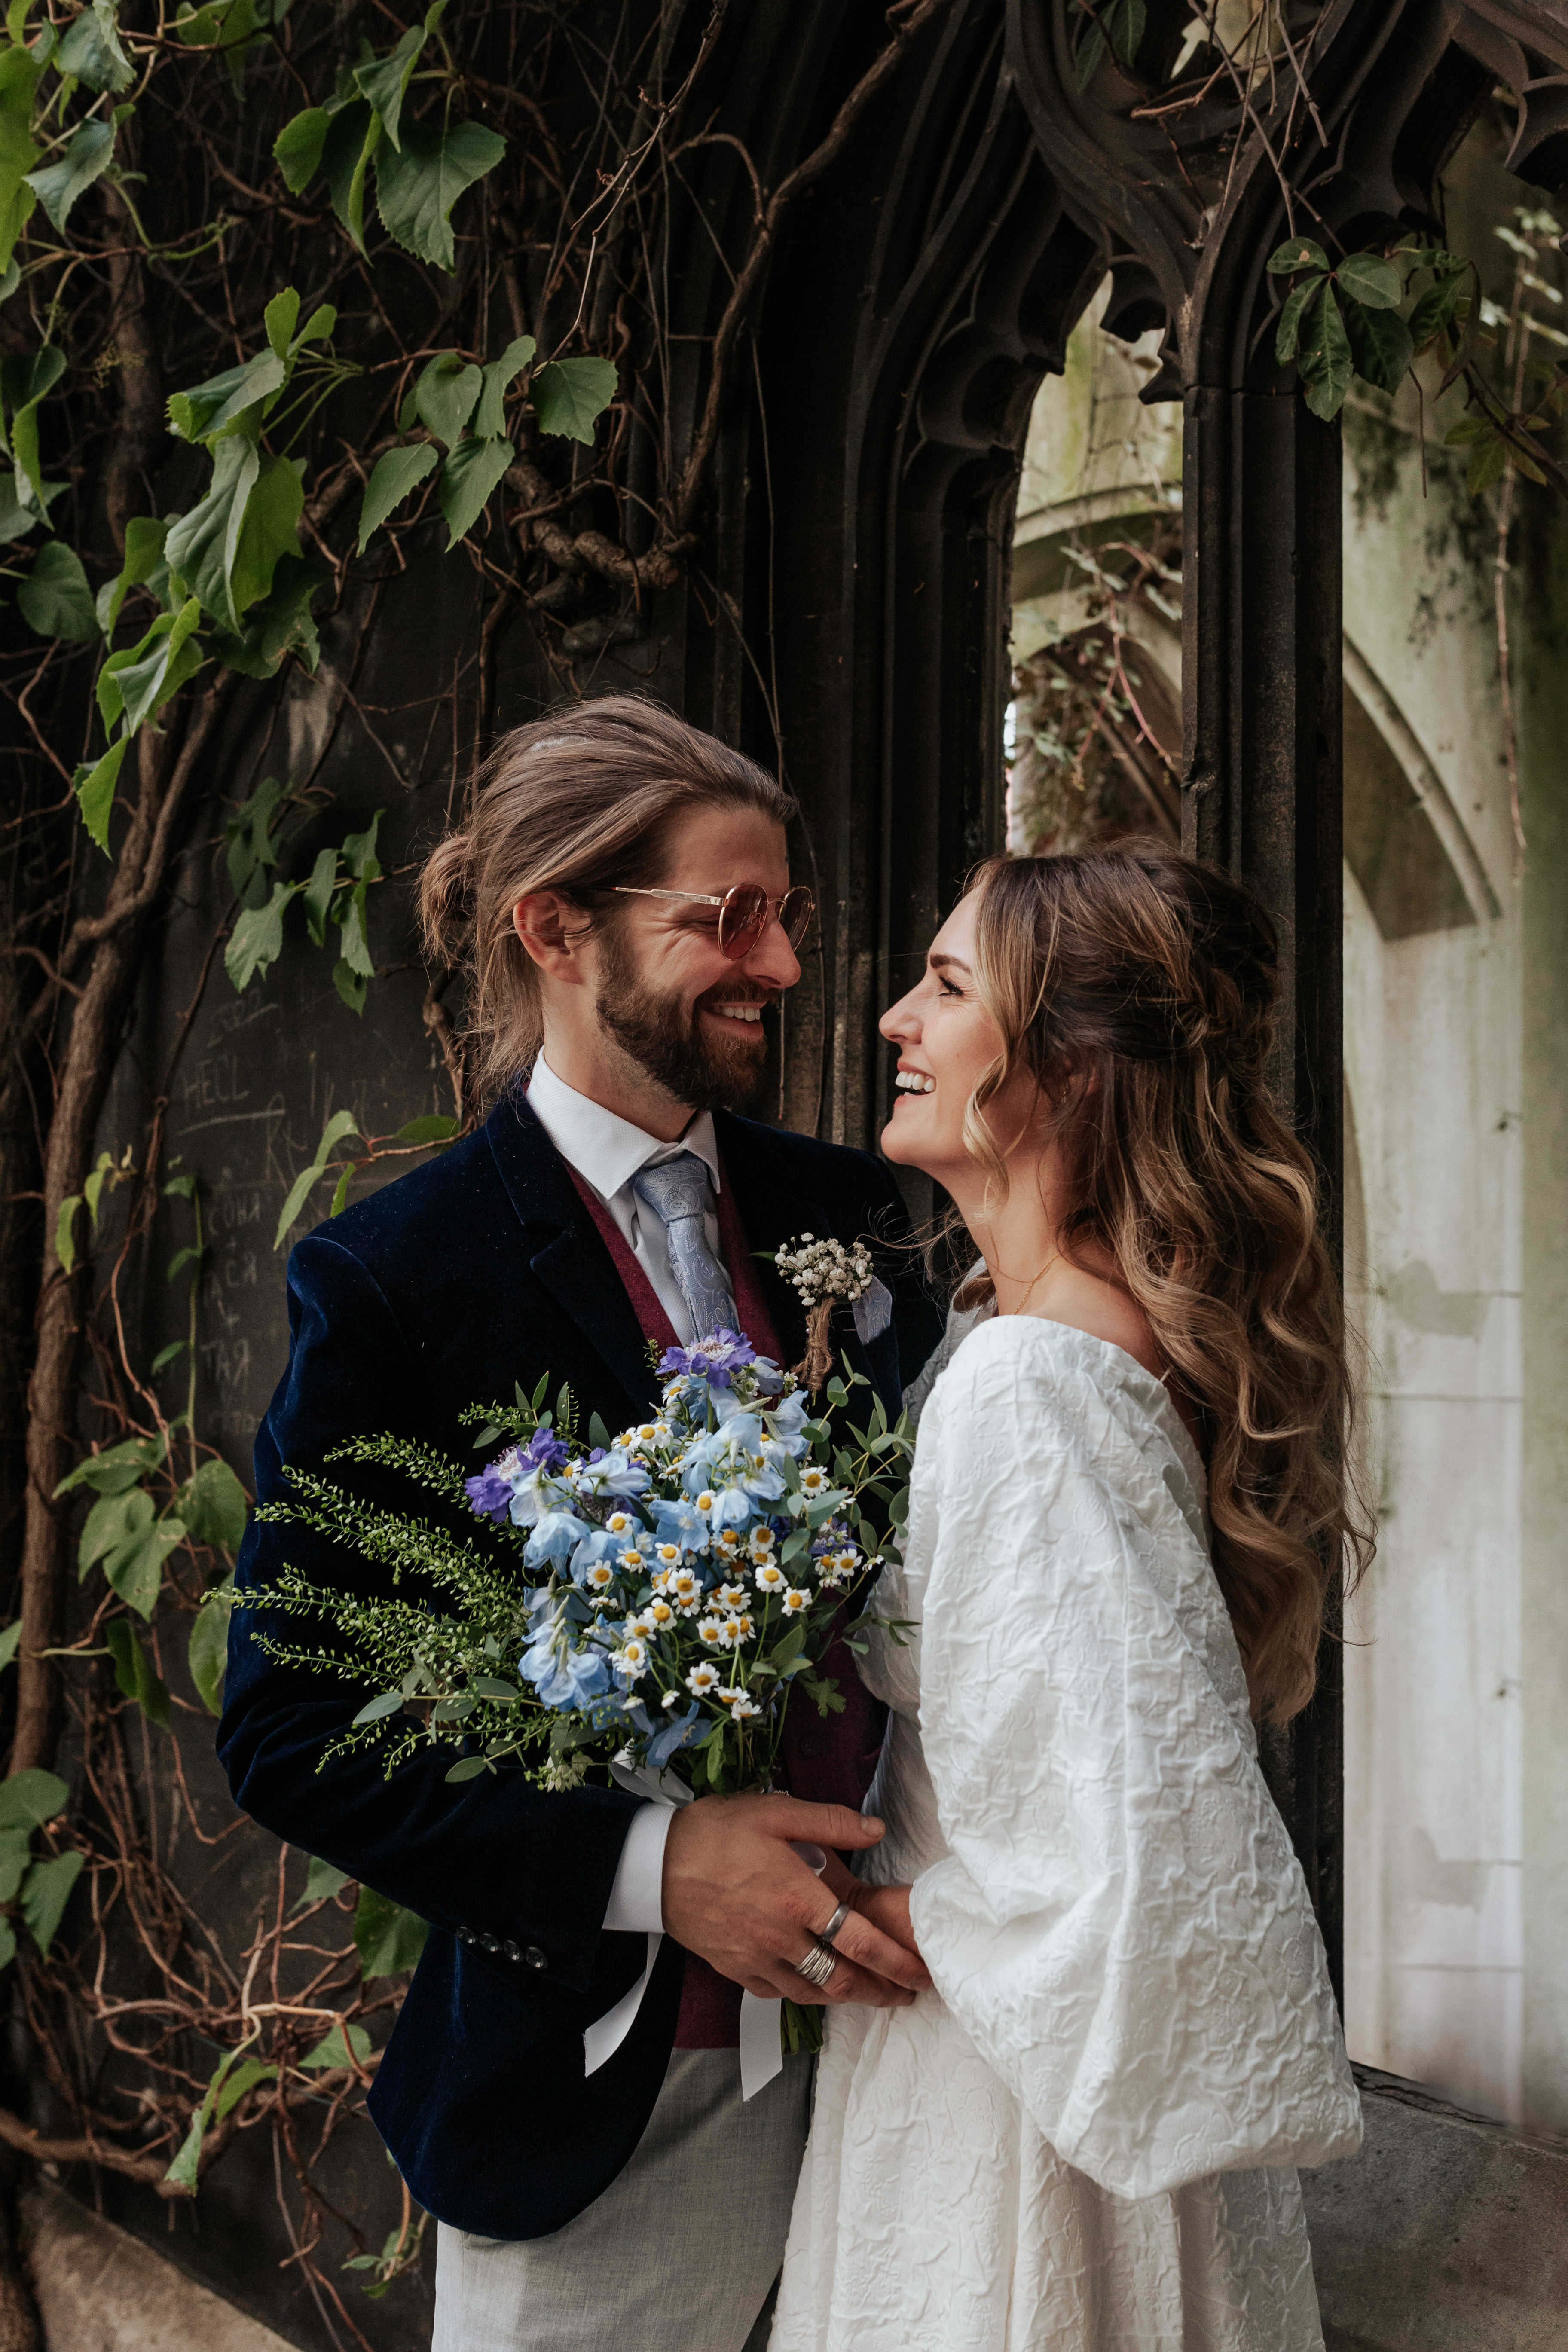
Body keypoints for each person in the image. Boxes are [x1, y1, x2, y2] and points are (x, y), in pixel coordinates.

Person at [217, 695, 944, 2352]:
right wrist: (655, 1864)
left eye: (787, 914)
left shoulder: (853, 1208)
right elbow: (285, 1727)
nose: (779, 964)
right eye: (728, 917)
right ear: (554, 929)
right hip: (599, 2107)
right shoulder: (395, 1276)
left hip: (902, 2069)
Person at [771, 843, 1367, 2352]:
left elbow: (1130, 1850)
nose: (896, 1017)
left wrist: (875, 1911)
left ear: (1068, 1070)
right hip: (1009, 2057)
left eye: (947, 986)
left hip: (1006, 2103)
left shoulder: (1031, 1381)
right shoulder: (1041, 1336)